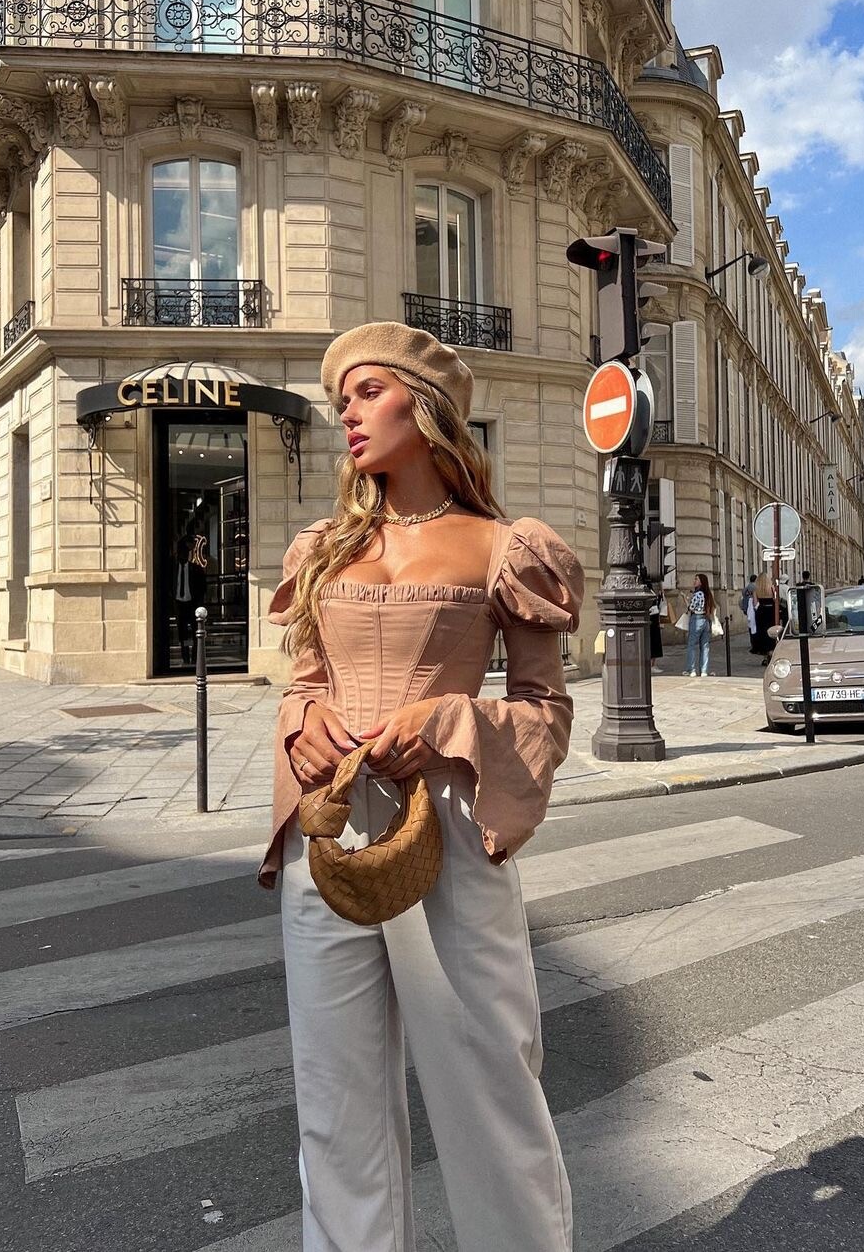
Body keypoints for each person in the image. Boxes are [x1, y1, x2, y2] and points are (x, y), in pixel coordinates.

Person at [261, 322, 583, 1252]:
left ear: (427, 404)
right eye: (341, 402)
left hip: (445, 819)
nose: (348, 415)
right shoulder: (325, 546)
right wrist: (302, 721)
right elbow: (305, 683)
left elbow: (546, 711)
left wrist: (448, 721)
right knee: (334, 1104)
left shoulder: (504, 547)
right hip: (327, 827)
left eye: (368, 392)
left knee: (488, 1085)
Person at [172, 535, 207, 666]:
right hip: (179, 604)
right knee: (182, 633)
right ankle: (185, 657)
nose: (183, 556)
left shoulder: (196, 569)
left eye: (185, 553)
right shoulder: (173, 570)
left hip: (192, 604)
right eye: (181, 553)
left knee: (195, 632)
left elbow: (202, 588)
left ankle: (195, 658)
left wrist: (199, 603)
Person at [682, 572, 715, 676]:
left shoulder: (698, 594)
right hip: (706, 620)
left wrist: (685, 599)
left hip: (696, 619)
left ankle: (691, 670)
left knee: (691, 645)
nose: (694, 581)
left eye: (696, 579)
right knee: (705, 646)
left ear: (701, 582)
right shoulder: (708, 594)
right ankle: (704, 670)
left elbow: (691, 608)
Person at [753, 571, 778, 665]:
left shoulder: (756, 589)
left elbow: (755, 603)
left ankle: (764, 656)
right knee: (771, 631)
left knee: (762, 632)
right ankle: (771, 651)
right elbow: (775, 599)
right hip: (771, 611)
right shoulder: (771, 588)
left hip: (761, 612)